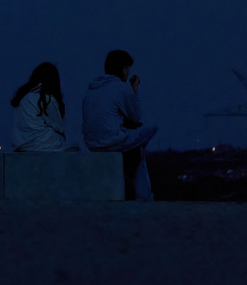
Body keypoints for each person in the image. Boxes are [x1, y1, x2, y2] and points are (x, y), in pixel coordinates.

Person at [82, 49, 157, 200]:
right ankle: (144, 196)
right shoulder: (121, 88)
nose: (128, 72)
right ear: (121, 69)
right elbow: (135, 117)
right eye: (127, 68)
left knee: (136, 146)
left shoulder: (91, 90)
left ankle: (133, 152)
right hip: (112, 141)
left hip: (92, 143)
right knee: (151, 128)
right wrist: (134, 90)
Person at [9, 62, 74, 152]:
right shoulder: (46, 99)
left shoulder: (23, 98)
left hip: (24, 145)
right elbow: (59, 126)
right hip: (45, 144)